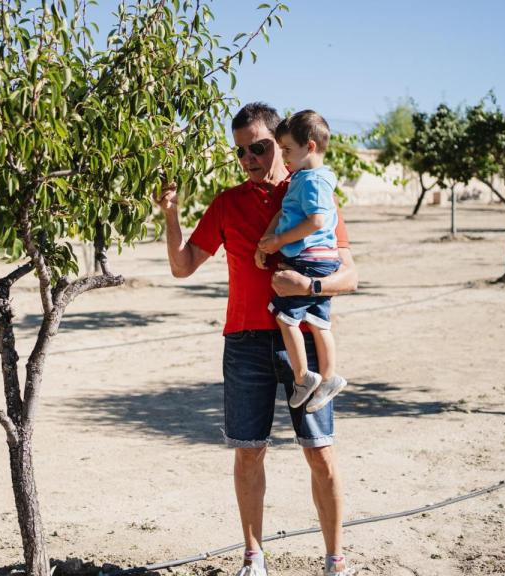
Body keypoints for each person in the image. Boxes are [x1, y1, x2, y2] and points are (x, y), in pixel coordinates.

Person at [155, 102, 359, 576]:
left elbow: (349, 276)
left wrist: (307, 286)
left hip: (303, 342)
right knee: (249, 452)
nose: (250, 159)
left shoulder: (312, 190)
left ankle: (335, 561)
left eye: (260, 148)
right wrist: (171, 214)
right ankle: (254, 558)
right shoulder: (227, 204)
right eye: (241, 151)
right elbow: (183, 266)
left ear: (282, 144)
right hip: (244, 343)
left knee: (320, 451)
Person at [256, 110, 347, 414]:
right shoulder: (315, 178)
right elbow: (285, 212)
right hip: (323, 260)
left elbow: (316, 221)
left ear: (309, 147)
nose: (283, 157)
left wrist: (279, 241)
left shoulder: (310, 181)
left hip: (308, 259)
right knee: (319, 322)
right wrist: (269, 239)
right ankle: (330, 378)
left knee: (285, 318)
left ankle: (303, 377)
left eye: (287, 150)